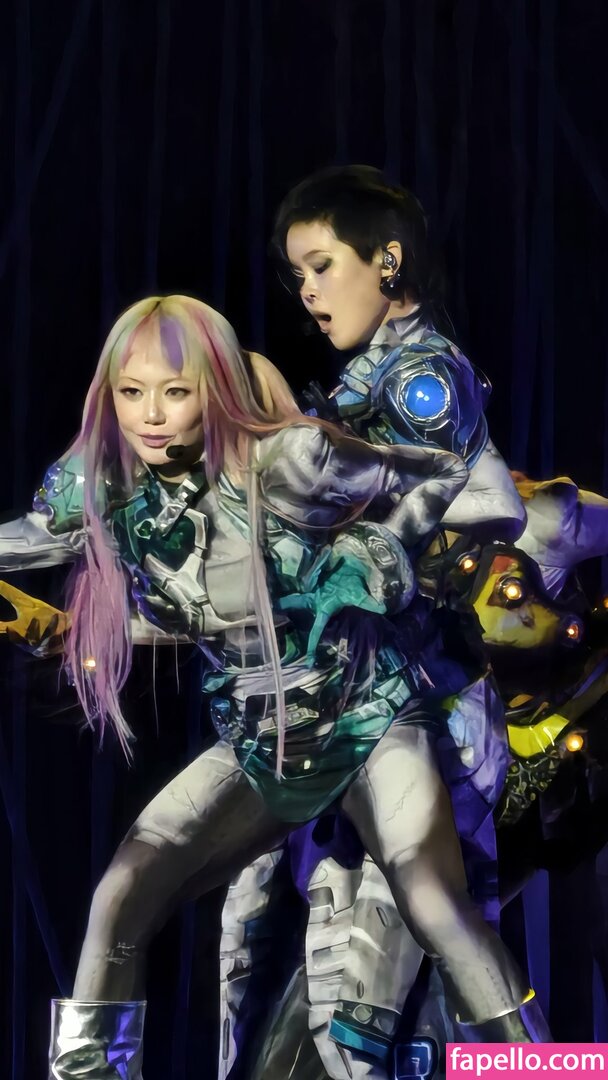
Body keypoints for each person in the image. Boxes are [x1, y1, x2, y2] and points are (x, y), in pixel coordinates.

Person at [0, 293, 535, 1080]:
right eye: (132, 391)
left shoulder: (290, 459)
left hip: (368, 714)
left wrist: (378, 557)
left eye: (175, 392)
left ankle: (543, 1068)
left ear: (214, 387)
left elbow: (443, 471)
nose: (151, 415)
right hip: (261, 739)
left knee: (432, 903)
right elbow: (30, 540)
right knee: (121, 895)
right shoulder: (105, 481)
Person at [218, 165, 548, 1080]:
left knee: (382, 991)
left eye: (322, 266)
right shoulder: (363, 383)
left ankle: (549, 1069)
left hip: (423, 707)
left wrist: (367, 540)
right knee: (318, 978)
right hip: (354, 708)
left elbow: (490, 502)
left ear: (388, 261)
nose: (308, 291)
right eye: (297, 274)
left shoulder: (420, 376)